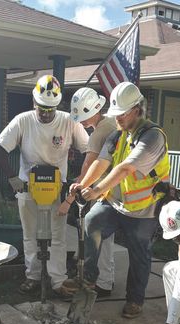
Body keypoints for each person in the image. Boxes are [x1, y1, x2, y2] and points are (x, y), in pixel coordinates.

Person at [64, 81, 171, 319]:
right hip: (115, 203)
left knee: (139, 255)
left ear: (137, 109)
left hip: (143, 209)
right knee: (92, 220)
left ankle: (135, 300)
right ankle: (88, 278)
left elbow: (125, 168)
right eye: (116, 114)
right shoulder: (117, 135)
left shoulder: (153, 137)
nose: (118, 118)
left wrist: (96, 190)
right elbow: (100, 162)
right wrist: (84, 184)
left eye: (122, 114)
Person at [0, 75, 89, 297]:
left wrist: (78, 180)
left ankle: (58, 280)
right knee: (30, 234)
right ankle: (33, 276)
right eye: (42, 108)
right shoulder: (23, 120)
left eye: (51, 109)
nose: (46, 114)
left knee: (58, 235)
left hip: (57, 188)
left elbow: (89, 150)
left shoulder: (69, 121)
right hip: (28, 185)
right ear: (34, 102)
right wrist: (12, 177)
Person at [57, 87, 117, 297]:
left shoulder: (99, 132)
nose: (80, 121)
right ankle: (106, 280)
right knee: (105, 239)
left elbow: (87, 169)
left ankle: (97, 281)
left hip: (104, 192)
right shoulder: (112, 122)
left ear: (96, 109)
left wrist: (68, 200)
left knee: (96, 235)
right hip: (114, 189)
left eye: (83, 116)